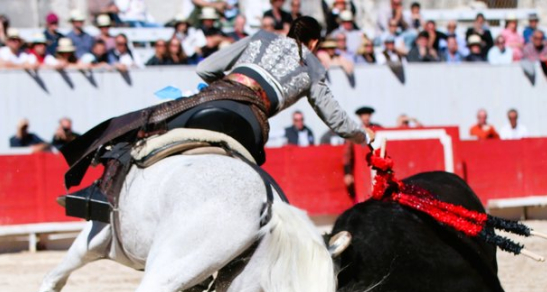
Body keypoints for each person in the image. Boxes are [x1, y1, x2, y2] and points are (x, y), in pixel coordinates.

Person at [66, 15, 374, 181]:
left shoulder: (262, 38)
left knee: (150, 121)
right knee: (255, 184)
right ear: (315, 42)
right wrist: (365, 135)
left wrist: (220, 89)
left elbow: (204, 68)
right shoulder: (314, 65)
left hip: (219, 93)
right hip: (253, 120)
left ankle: (102, 186)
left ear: (288, 31)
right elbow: (337, 121)